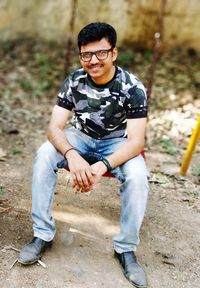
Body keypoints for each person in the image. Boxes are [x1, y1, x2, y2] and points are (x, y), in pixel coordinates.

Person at [18, 22, 149, 288]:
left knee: (137, 175)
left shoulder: (132, 87)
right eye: (86, 54)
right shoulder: (74, 81)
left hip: (116, 142)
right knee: (45, 154)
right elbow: (54, 127)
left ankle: (125, 248)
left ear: (113, 53)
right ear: (81, 56)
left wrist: (102, 166)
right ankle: (42, 234)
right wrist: (72, 154)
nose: (94, 60)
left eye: (101, 53)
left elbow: (136, 142)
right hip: (81, 137)